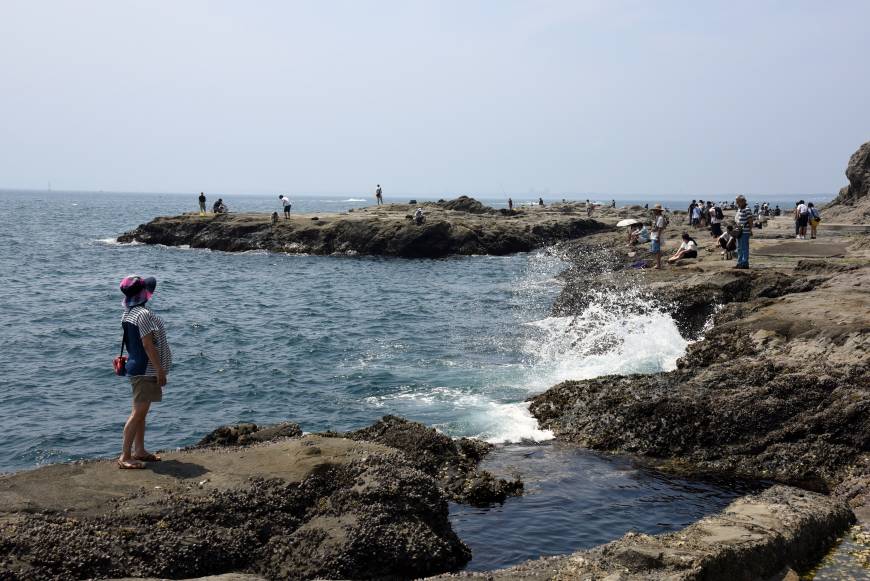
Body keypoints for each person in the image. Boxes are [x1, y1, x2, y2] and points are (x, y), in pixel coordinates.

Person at [118, 275, 171, 469]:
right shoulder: (143, 315)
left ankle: (139, 450)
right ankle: (125, 455)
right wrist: (159, 370)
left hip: (136, 367)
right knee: (138, 413)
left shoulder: (128, 313)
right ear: (143, 294)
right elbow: (148, 345)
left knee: (141, 413)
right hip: (145, 370)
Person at [734, 195, 753, 269]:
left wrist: (750, 229)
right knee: (739, 248)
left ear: (743, 201)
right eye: (736, 201)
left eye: (738, 201)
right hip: (739, 231)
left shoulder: (747, 209)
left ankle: (744, 263)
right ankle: (740, 262)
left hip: (745, 232)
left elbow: (750, 220)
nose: (737, 203)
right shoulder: (740, 209)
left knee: (744, 247)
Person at [650, 204, 666, 269]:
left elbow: (660, 228)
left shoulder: (660, 218)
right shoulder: (657, 217)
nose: (653, 212)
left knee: (657, 251)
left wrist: (658, 237)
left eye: (654, 210)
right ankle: (658, 264)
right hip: (654, 235)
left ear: (658, 211)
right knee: (655, 251)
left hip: (656, 236)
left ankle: (658, 265)